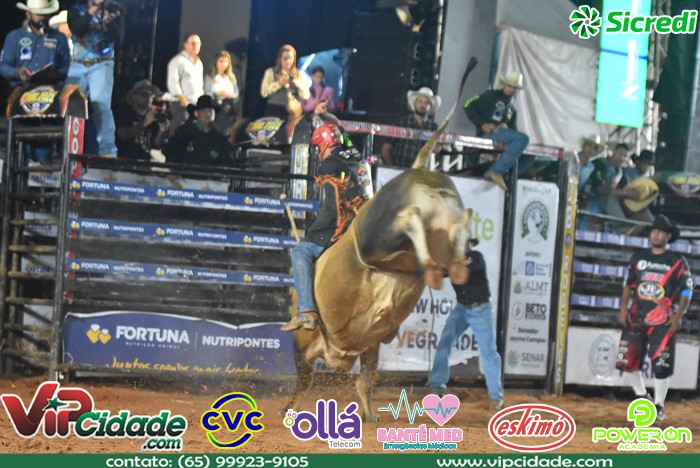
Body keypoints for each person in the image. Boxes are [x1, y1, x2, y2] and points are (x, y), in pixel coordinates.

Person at [281, 123, 365, 331]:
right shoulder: (354, 161)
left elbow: (333, 204)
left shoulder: (329, 165)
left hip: (333, 230)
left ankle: (306, 312)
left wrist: (316, 232)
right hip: (355, 226)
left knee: (300, 252)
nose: (318, 152)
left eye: (318, 148)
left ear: (324, 145)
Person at [616, 215, 692, 421]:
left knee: (662, 364)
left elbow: (687, 291)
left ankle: (659, 405)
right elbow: (627, 285)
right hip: (636, 316)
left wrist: (678, 315)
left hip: (663, 319)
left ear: (668, 236)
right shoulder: (638, 258)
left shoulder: (677, 261)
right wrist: (623, 309)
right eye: (654, 230)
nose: (656, 234)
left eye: (661, 232)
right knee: (627, 360)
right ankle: (643, 397)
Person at [429, 245, 504, 411]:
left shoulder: (475, 256)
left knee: (489, 352)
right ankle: (436, 387)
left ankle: (496, 397)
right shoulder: (452, 263)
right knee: (445, 343)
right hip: (462, 308)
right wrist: (435, 270)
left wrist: (443, 268)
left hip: (481, 309)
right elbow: (442, 274)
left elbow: (463, 270)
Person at [66, 0, 124, 158]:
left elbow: (120, 39)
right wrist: (92, 11)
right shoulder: (76, 10)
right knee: (72, 107)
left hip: (102, 63)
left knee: (101, 106)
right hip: (77, 64)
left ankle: (107, 150)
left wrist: (109, 22)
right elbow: (76, 28)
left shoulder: (114, 10)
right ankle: (69, 148)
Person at [464, 71, 531, 191]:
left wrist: (507, 129)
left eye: (515, 87)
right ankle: (496, 171)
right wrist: (482, 123)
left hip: (500, 138)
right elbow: (468, 104)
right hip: (488, 134)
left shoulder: (511, 109)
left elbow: (513, 130)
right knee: (524, 139)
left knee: (530, 156)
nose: (512, 89)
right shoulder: (491, 95)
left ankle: (505, 175)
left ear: (518, 90)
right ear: (504, 85)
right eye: (510, 85)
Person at [0, 0, 71, 89]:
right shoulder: (15, 36)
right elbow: (3, 66)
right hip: (21, 89)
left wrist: (55, 73)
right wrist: (17, 72)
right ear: (28, 14)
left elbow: (67, 66)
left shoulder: (59, 37)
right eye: (39, 14)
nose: (43, 17)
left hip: (50, 89)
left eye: (46, 14)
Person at [163, 95, 234, 167]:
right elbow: (170, 151)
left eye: (210, 111)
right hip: (183, 173)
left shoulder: (220, 140)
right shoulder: (184, 132)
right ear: (196, 113)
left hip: (208, 174)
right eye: (203, 111)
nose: (208, 114)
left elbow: (227, 161)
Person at [381, 87, 441, 168]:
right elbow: (386, 149)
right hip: (400, 171)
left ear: (430, 106)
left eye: (426, 103)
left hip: (420, 173)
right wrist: (392, 169)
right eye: (420, 101)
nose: (422, 105)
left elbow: (436, 150)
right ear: (414, 103)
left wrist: (442, 144)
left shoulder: (434, 127)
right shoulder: (401, 122)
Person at [115, 79, 169, 161]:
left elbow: (156, 145)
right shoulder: (124, 114)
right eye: (144, 94)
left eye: (151, 95)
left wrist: (161, 132)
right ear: (134, 97)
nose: (148, 98)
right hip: (126, 163)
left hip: (146, 164)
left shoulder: (153, 117)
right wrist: (144, 123)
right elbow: (123, 135)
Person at [260, 44, 310, 119]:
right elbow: (264, 93)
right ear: (280, 59)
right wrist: (279, 84)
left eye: (290, 58)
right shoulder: (270, 72)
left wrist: (299, 85)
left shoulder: (299, 74)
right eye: (285, 58)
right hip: (274, 110)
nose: (288, 61)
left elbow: (306, 96)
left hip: (293, 111)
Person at [167, 34, 204, 134]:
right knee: (178, 132)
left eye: (198, 43)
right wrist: (184, 100)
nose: (196, 46)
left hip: (195, 105)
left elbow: (200, 85)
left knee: (193, 133)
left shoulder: (199, 63)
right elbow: (173, 82)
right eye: (193, 43)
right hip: (181, 104)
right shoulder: (178, 60)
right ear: (185, 45)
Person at [204, 50, 239, 135]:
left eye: (226, 61)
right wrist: (218, 93)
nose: (224, 64)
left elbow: (236, 93)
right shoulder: (210, 76)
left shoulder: (231, 77)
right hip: (216, 109)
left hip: (230, 109)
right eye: (221, 61)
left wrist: (232, 95)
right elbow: (206, 93)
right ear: (216, 62)